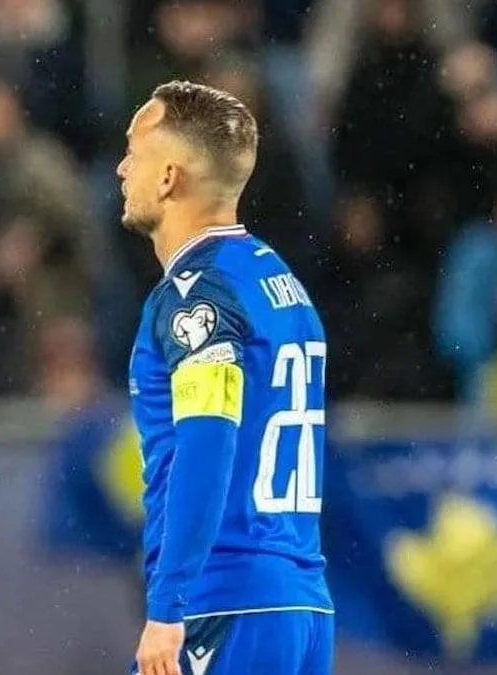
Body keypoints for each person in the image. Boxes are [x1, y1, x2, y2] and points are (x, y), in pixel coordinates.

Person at [117, 80, 334, 675]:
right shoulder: (275, 280)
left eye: (133, 152)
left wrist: (169, 605)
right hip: (299, 603)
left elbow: (208, 440)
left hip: (223, 603)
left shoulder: (198, 296)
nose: (122, 168)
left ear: (169, 176)